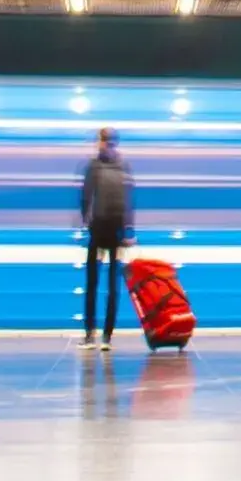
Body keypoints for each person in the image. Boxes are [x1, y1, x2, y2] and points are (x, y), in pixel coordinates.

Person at [79, 127, 135, 348]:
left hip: (109, 230)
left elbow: (86, 196)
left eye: (105, 141)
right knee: (100, 283)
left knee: (104, 284)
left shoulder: (96, 166)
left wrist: (128, 230)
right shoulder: (122, 166)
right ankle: (95, 334)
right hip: (106, 229)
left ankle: (101, 335)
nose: (104, 145)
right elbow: (127, 200)